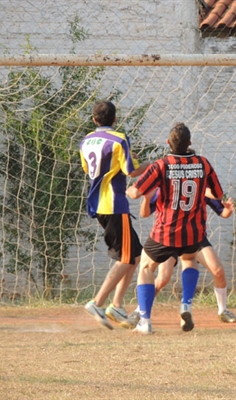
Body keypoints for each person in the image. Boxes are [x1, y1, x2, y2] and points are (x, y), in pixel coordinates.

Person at [126, 122, 224, 334]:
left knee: (145, 268)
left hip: (166, 232)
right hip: (193, 233)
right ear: (189, 144)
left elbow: (135, 193)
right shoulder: (203, 163)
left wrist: (128, 190)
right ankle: (185, 305)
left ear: (168, 143)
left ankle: (145, 322)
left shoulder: (161, 165)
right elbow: (217, 194)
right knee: (189, 260)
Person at [79, 100, 150, 330]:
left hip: (98, 204)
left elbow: (91, 169)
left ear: (94, 120)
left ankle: (117, 305)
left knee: (135, 255)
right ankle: (98, 302)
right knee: (127, 258)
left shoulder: (86, 141)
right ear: (115, 119)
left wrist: (130, 158)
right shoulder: (119, 139)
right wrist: (152, 164)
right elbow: (131, 171)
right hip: (114, 204)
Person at [126, 187, 236, 325]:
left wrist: (227, 209)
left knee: (217, 270)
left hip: (194, 236)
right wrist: (146, 198)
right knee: (163, 278)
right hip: (169, 236)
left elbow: (223, 212)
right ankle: (140, 311)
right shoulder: (166, 186)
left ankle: (220, 310)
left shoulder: (200, 186)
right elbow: (145, 212)